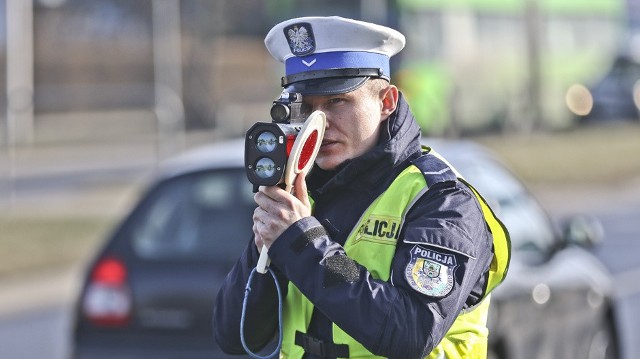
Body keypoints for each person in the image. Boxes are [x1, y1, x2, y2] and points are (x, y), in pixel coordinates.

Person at [214, 16, 510, 359]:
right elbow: (234, 336)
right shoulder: (301, 191)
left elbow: (410, 331)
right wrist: (267, 243)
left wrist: (302, 241)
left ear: (386, 102)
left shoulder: (442, 201)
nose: (319, 123)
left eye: (336, 102)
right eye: (306, 107)